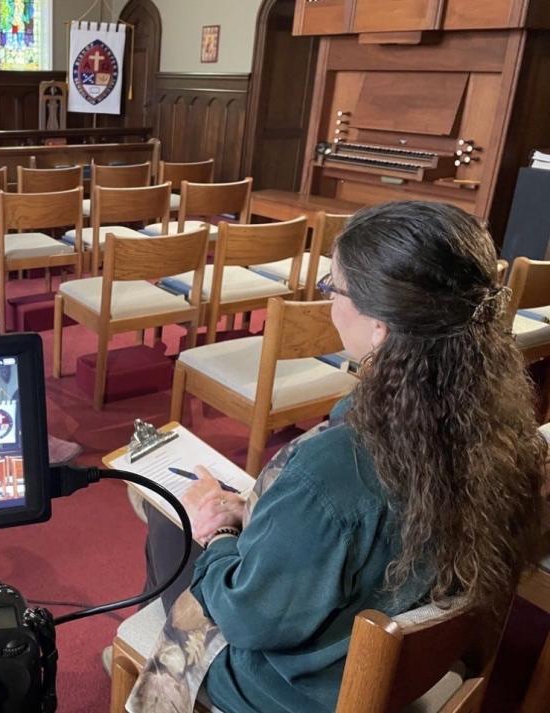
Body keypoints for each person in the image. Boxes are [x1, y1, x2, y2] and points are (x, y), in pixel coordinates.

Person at [138, 201, 548, 713]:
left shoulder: (330, 470)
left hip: (298, 688)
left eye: (335, 288)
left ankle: (156, 670)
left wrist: (216, 533)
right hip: (412, 663)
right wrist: (262, 514)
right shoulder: (504, 427)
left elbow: (248, 620)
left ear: (381, 325)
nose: (330, 304)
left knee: (166, 520)